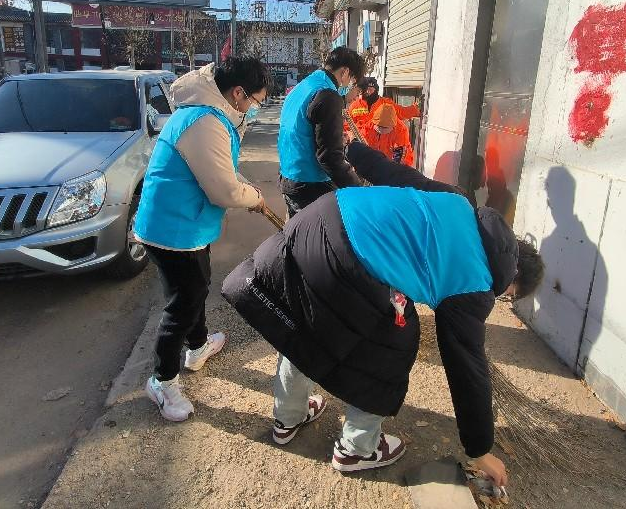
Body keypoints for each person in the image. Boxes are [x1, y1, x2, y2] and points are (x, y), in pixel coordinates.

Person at [222, 142, 545, 480]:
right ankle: (356, 449)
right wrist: (480, 449)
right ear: (513, 278)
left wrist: (356, 152)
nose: (501, 297)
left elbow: (398, 175)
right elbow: (467, 367)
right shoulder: (476, 285)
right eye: (509, 294)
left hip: (321, 217)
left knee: (306, 322)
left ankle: (288, 417)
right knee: (392, 349)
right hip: (349, 261)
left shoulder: (459, 201)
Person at [134, 57, 272, 422]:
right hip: (173, 230)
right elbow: (223, 189)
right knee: (183, 303)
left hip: (182, 226)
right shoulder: (205, 121)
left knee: (196, 286)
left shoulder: (206, 114)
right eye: (256, 101)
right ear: (238, 93)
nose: (254, 109)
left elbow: (222, 169)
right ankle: (162, 381)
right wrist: (253, 198)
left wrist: (248, 188)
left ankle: (197, 346)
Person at [277, 46, 364, 217]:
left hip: (289, 175)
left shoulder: (305, 85)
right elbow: (329, 157)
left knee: (296, 229)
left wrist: (335, 137)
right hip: (310, 184)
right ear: (345, 72)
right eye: (353, 80)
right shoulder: (328, 95)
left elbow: (302, 128)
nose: (350, 86)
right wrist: (358, 188)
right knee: (323, 231)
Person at [346, 76, 420, 130]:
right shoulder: (354, 106)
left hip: (380, 142)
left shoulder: (386, 103)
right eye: (365, 89)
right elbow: (347, 125)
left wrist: (416, 108)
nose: (367, 92)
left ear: (376, 90)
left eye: (370, 89)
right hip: (360, 143)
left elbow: (402, 112)